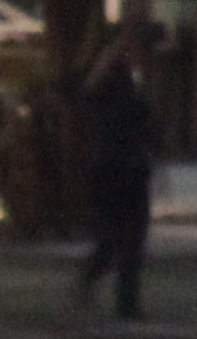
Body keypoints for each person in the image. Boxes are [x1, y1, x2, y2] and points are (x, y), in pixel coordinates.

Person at [69, 28, 161, 320]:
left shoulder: (131, 83)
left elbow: (147, 122)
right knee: (114, 239)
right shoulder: (104, 84)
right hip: (110, 168)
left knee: (133, 239)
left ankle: (127, 302)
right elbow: (80, 90)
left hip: (132, 167)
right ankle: (94, 280)